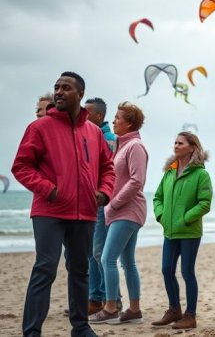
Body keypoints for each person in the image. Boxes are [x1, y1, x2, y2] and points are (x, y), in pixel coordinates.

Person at [12, 71, 115, 337]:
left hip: (84, 214)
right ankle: (32, 331)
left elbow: (108, 168)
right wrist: (50, 190)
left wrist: (103, 193)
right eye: (56, 87)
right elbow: (21, 166)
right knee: (45, 268)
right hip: (49, 210)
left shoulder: (92, 132)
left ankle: (80, 327)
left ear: (79, 94)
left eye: (66, 88)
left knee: (80, 271)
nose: (58, 92)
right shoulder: (39, 128)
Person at [89, 102, 148, 324]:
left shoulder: (136, 147)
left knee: (107, 258)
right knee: (127, 262)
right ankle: (134, 310)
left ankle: (111, 307)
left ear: (129, 122)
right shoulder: (122, 146)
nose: (113, 121)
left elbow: (137, 181)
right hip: (121, 211)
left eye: (117, 117)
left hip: (128, 211)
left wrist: (112, 205)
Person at [152, 131, 213, 329]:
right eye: (175, 143)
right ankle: (174, 309)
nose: (176, 146)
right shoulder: (169, 172)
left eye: (180, 143)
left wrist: (185, 219)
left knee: (187, 272)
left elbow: (205, 203)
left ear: (192, 147)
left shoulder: (201, 174)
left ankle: (190, 315)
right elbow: (157, 197)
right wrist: (161, 216)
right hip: (169, 232)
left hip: (189, 232)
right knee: (166, 270)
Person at [85, 97, 119, 316]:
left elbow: (104, 171)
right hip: (89, 200)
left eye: (87, 114)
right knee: (92, 253)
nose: (83, 117)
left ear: (98, 116)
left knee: (100, 253)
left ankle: (111, 300)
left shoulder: (108, 139)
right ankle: (95, 298)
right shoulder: (91, 134)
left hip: (101, 201)